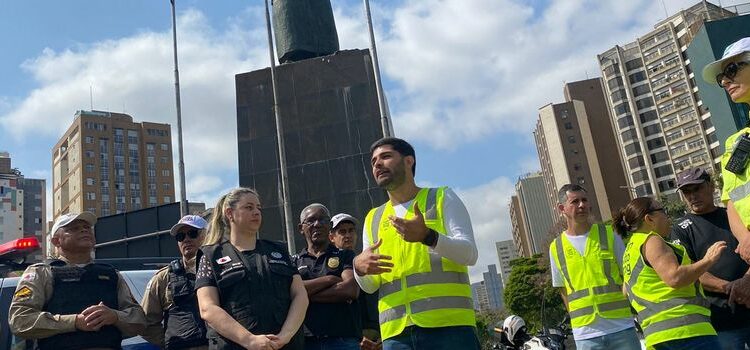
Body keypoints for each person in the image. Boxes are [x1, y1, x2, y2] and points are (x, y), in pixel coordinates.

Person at [353, 137, 480, 350]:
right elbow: (370, 285)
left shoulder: (441, 197)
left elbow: (470, 254)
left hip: (450, 328)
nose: (377, 164)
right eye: (373, 161)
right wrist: (359, 268)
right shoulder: (373, 218)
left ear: (409, 161)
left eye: (385, 156)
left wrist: (429, 236)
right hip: (396, 335)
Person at [8, 211, 146, 350]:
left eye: (87, 227)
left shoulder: (111, 274)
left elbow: (140, 320)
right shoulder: (42, 272)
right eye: (73, 228)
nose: (83, 230)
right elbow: (20, 321)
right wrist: (74, 322)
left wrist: (115, 316)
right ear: (56, 241)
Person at [195, 188, 308, 350]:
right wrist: (249, 340)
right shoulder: (210, 256)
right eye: (248, 207)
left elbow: (300, 295)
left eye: (258, 208)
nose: (256, 212)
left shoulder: (279, 251)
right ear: (229, 213)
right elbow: (207, 308)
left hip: (285, 345)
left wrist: (285, 336)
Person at [614, 197, 725, 349]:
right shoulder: (652, 241)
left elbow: (626, 291)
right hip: (686, 330)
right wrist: (708, 260)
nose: (668, 217)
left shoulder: (631, 250)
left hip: (656, 335)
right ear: (649, 219)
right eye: (663, 211)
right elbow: (675, 277)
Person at [548, 184, 641, 350]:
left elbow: (628, 272)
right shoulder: (556, 247)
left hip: (621, 326)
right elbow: (563, 290)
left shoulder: (609, 234)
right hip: (585, 334)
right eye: (575, 201)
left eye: (584, 200)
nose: (582, 205)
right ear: (562, 208)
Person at [670, 167, 750, 349]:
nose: (692, 196)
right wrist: (731, 288)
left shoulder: (733, 215)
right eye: (686, 192)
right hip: (720, 319)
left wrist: (747, 281)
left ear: (712, 186)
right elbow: (690, 271)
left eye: (697, 189)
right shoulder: (681, 229)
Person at [706, 37, 750, 262]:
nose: (724, 81)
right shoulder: (735, 142)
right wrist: (745, 240)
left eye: (732, 69)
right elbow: (731, 201)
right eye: (720, 77)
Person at [292, 204, 360, 349]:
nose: (317, 224)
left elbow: (350, 290)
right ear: (300, 228)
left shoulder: (345, 255)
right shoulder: (293, 261)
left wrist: (303, 295)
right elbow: (288, 292)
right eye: (310, 221)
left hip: (343, 340)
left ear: (329, 225)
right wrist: (330, 280)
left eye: (322, 220)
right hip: (307, 341)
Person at [141, 214, 210, 349]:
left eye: (192, 233)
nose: (186, 239)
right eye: (181, 236)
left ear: (206, 236)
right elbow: (146, 322)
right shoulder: (163, 278)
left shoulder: (220, 270)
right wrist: (170, 341)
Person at [330, 213, 381, 350]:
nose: (348, 235)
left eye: (351, 230)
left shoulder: (370, 264)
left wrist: (382, 339)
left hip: (380, 338)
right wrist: (357, 337)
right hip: (350, 340)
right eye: (342, 231)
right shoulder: (330, 269)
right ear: (332, 237)